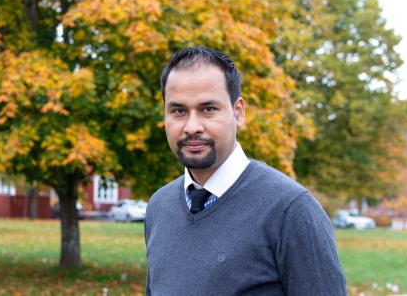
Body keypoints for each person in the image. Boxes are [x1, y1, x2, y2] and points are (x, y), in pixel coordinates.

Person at [144, 46, 347, 295]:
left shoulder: (290, 209)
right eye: (178, 111)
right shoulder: (159, 207)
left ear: (238, 113)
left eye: (208, 109)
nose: (192, 126)